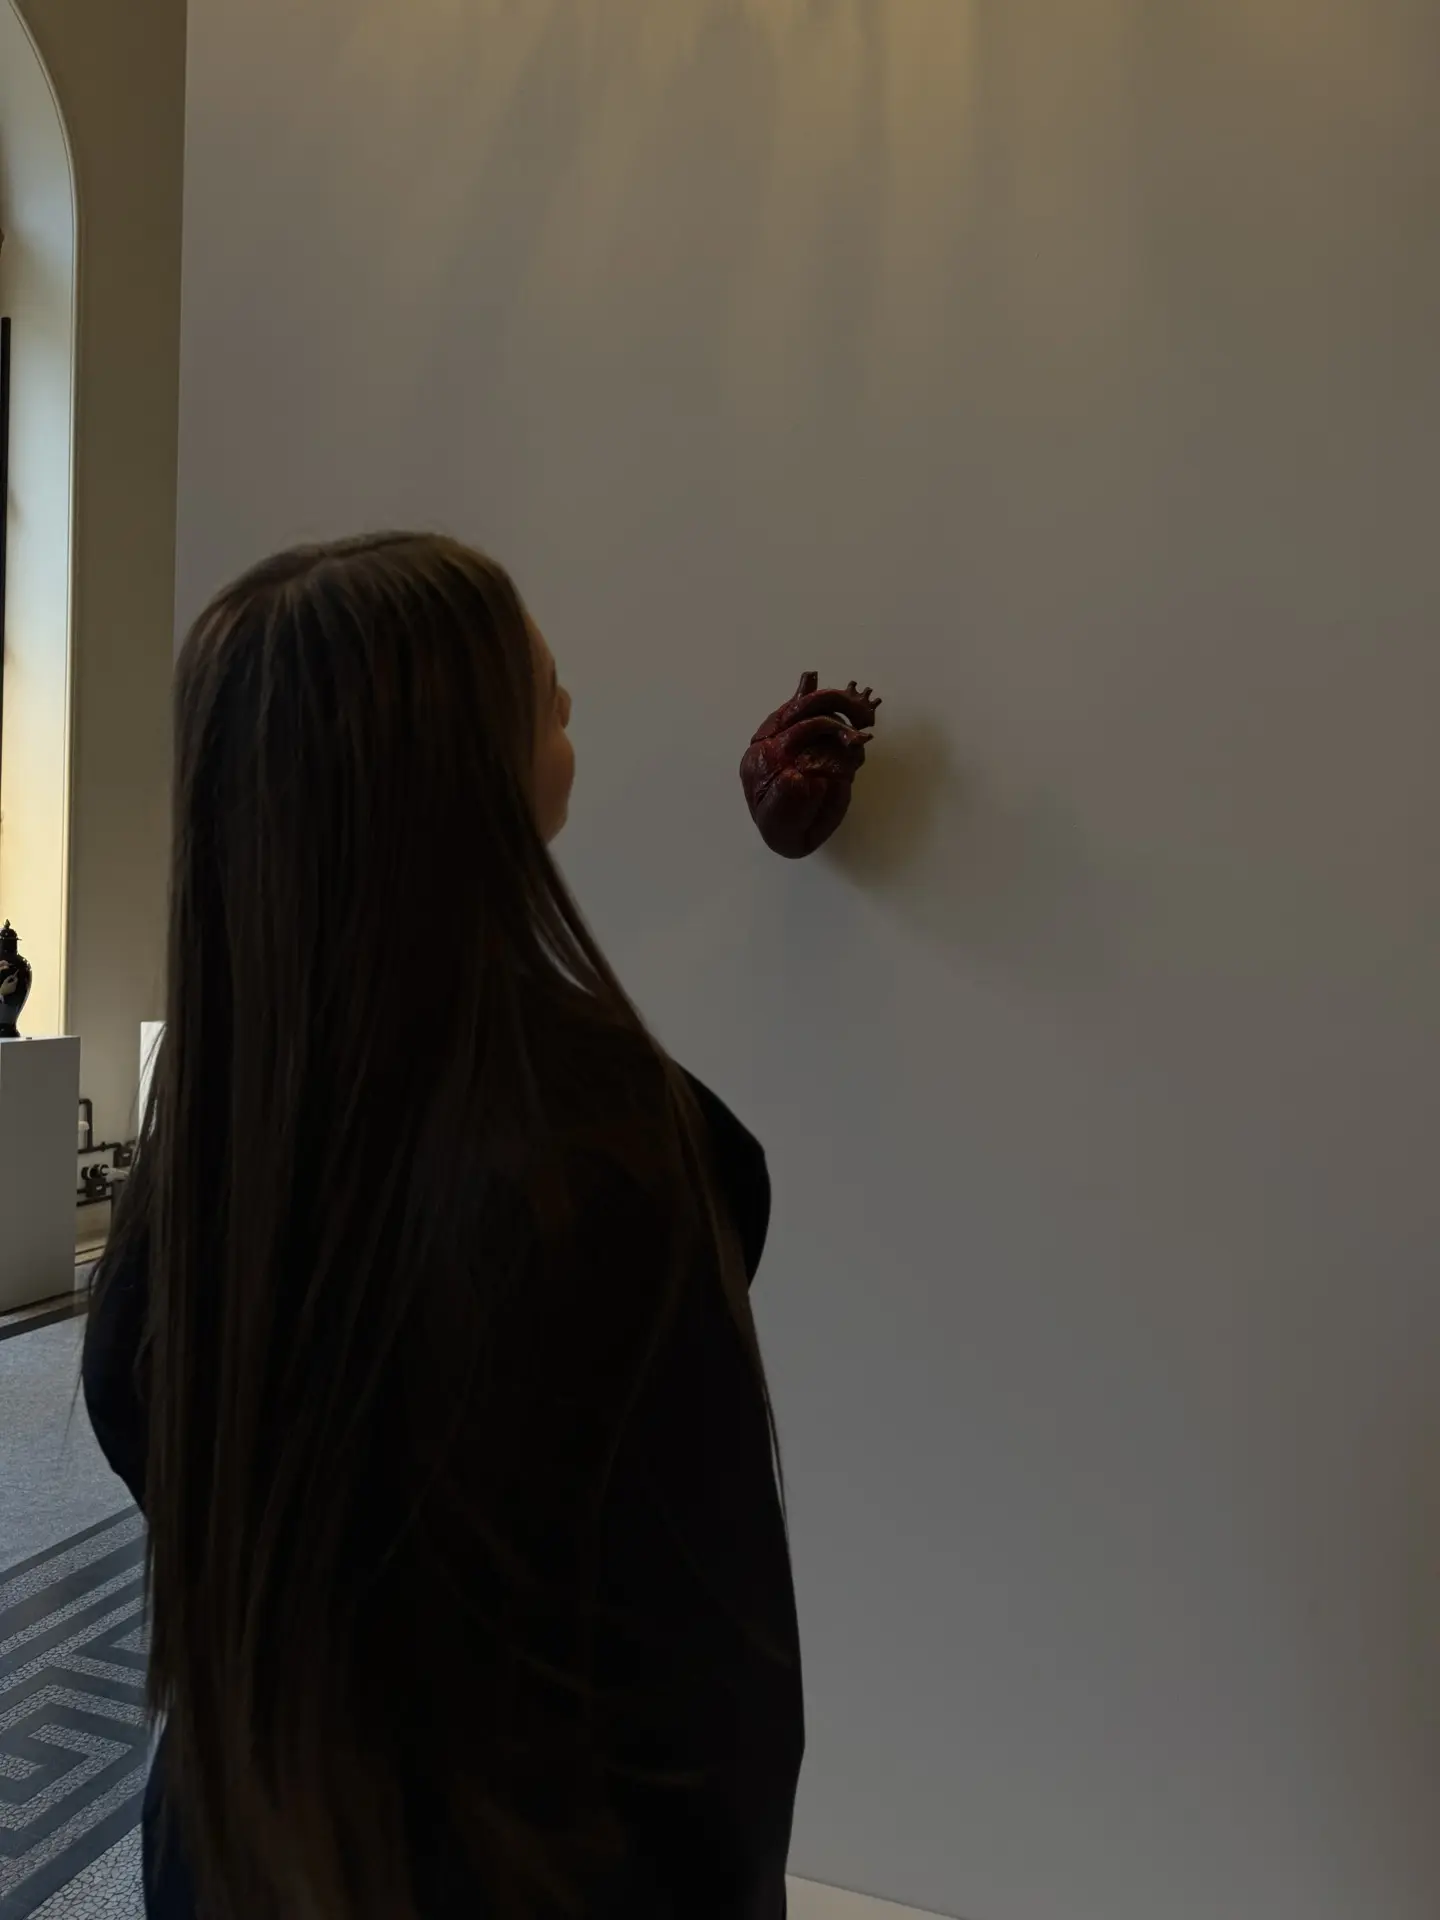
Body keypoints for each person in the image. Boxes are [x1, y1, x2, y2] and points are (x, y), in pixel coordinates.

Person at [82, 533, 803, 1920]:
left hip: (239, 1846)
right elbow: (708, 1665)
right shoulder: (624, 1143)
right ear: (450, 775)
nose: (569, 697)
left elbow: (138, 1412)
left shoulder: (216, 1132)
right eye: (540, 690)